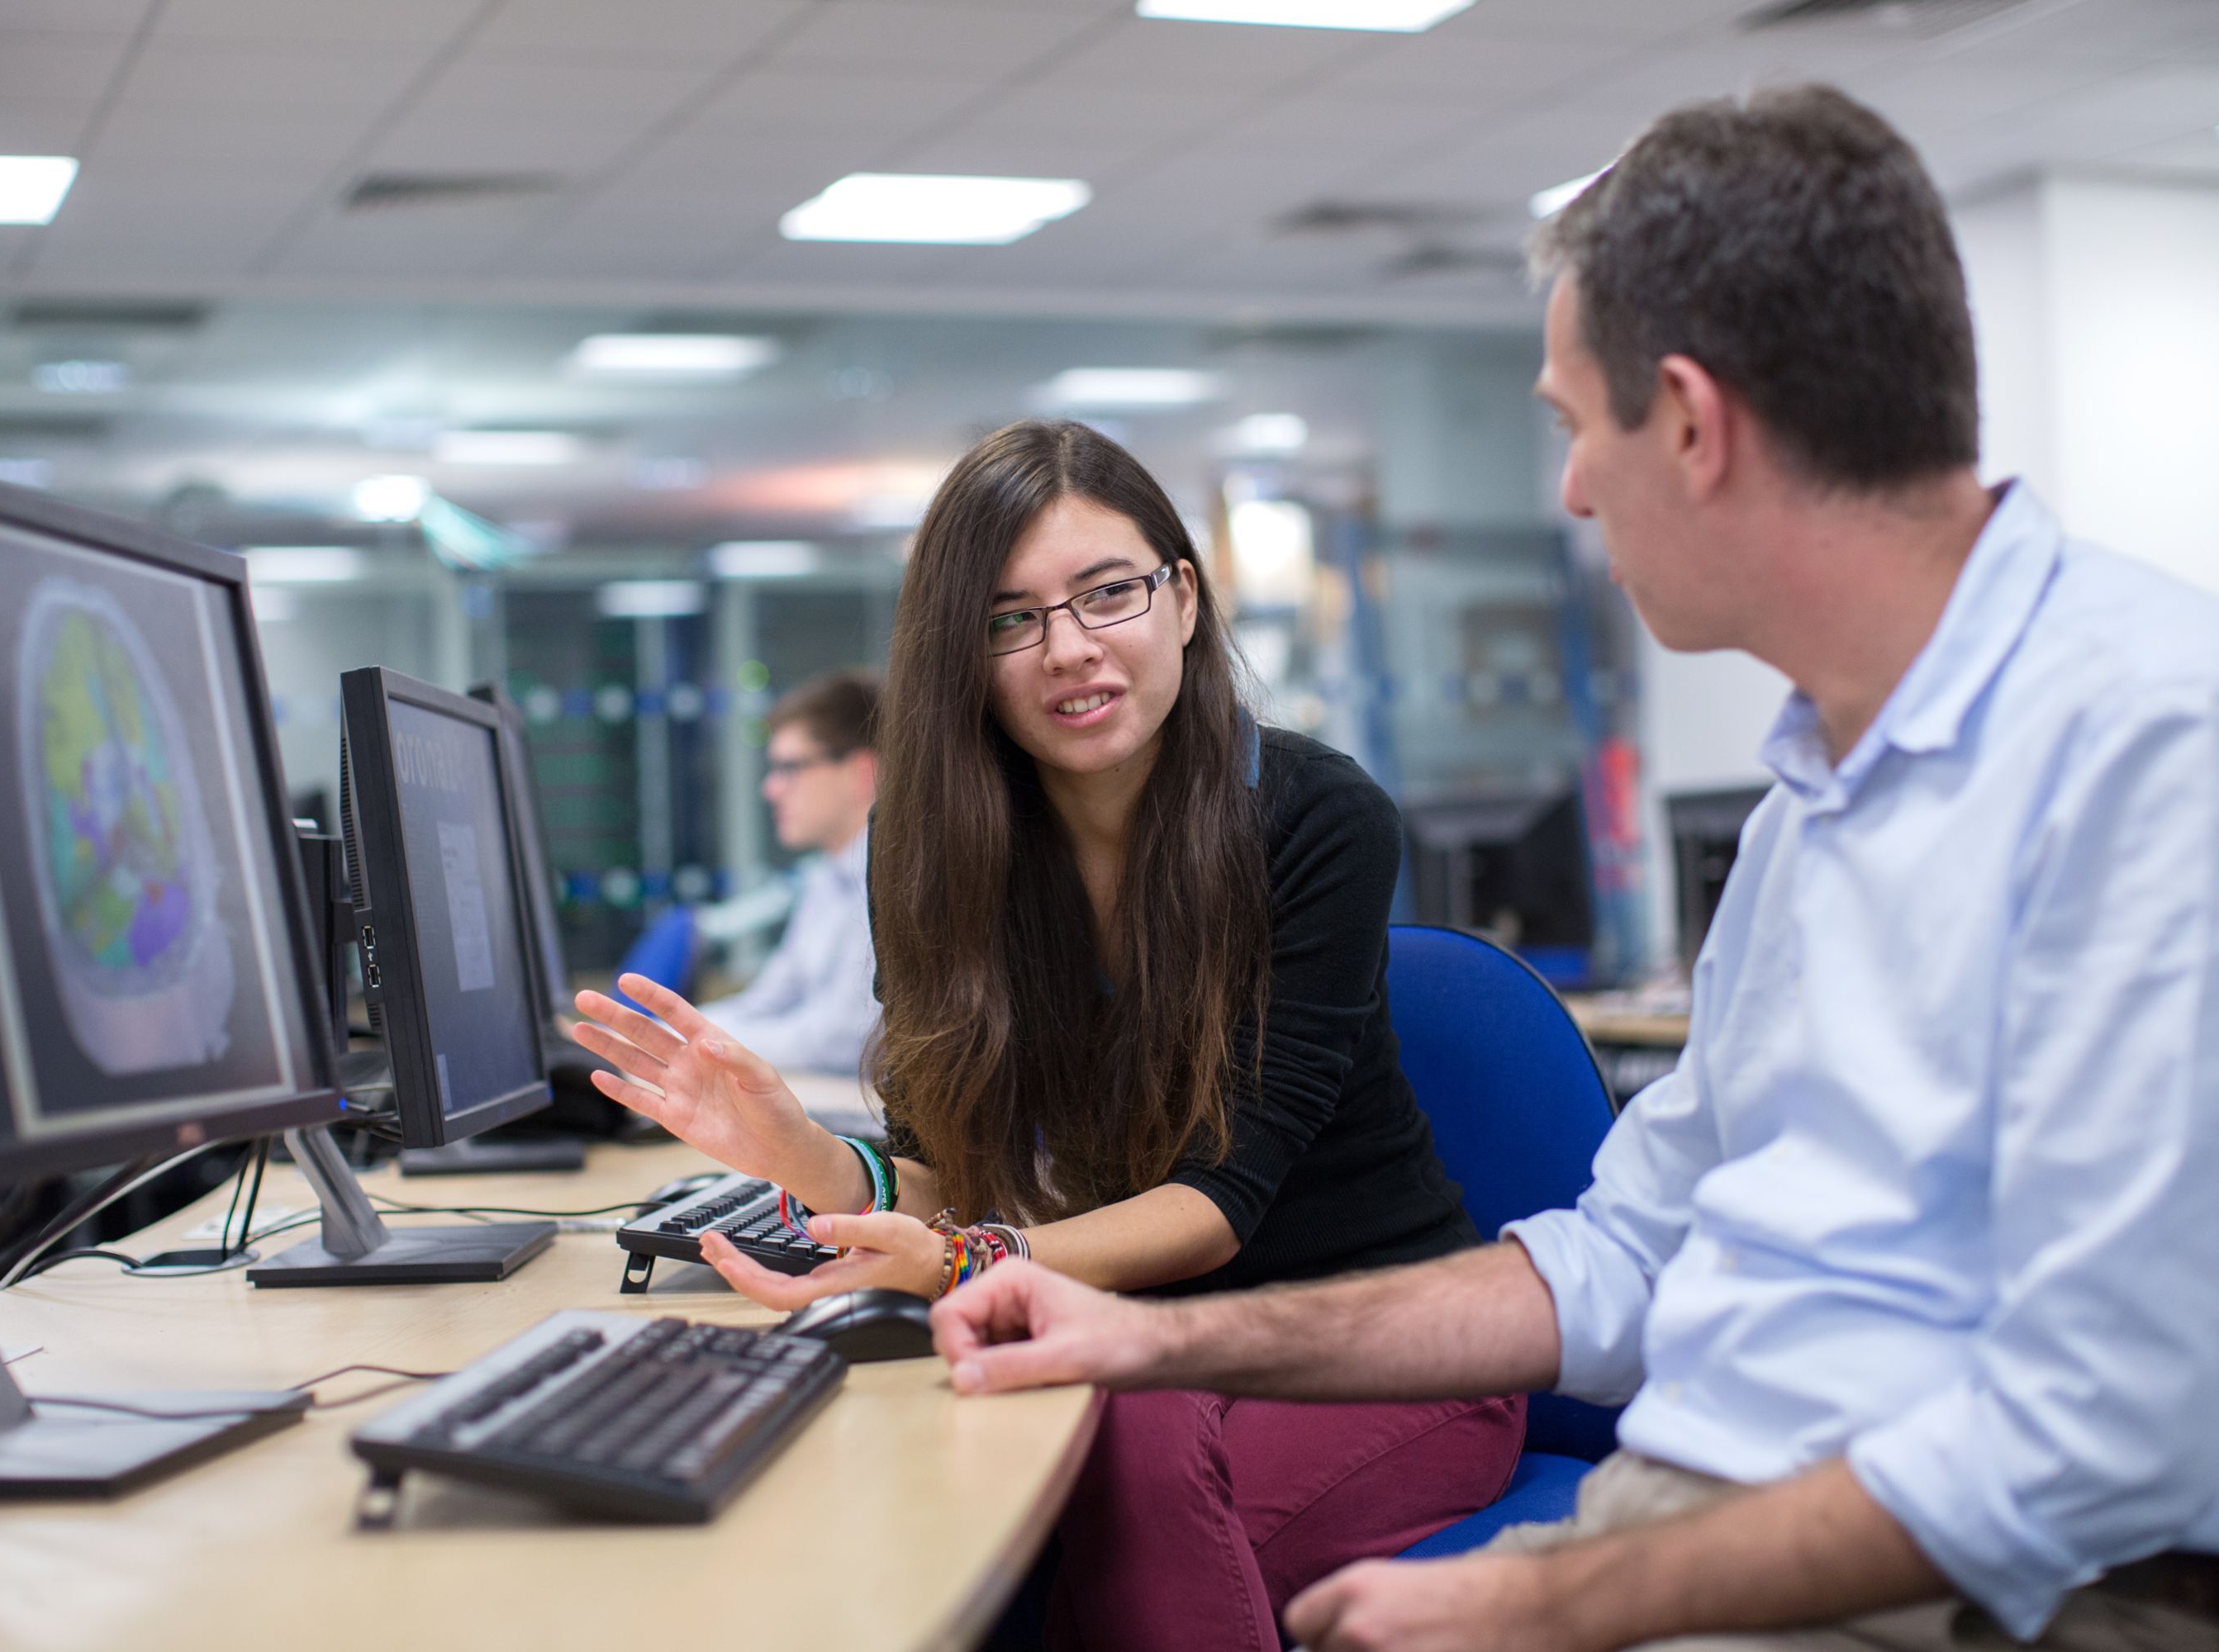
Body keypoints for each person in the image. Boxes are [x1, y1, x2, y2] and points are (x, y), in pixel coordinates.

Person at [926, 86, 2219, 1652]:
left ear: (1689, 421)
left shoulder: (2165, 741)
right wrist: (1131, 1339)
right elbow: (1621, 1260)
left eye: (1574, 427)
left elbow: (2098, 1436)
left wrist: (1554, 1600)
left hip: (2019, 1599)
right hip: (1711, 1512)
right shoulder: (1829, 786)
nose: (1574, 491)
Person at [569, 419, 1527, 1650]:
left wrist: (970, 1268)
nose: (1068, 649)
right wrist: (798, 1152)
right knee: (980, 1482)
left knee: (1076, 1525)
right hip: (1129, 1342)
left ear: (1181, 598)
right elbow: (947, 1170)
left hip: (1373, 1340)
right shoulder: (931, 858)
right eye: (1009, 620)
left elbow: (1217, 1204)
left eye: (1107, 593)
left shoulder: (1312, 818)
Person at [691, 669, 882, 1075]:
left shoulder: (893, 881)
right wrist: (660, 1033)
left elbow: (839, 1042)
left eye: (790, 768)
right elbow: (768, 1001)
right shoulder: (827, 879)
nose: (771, 789)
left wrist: (689, 1044)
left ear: (862, 773)